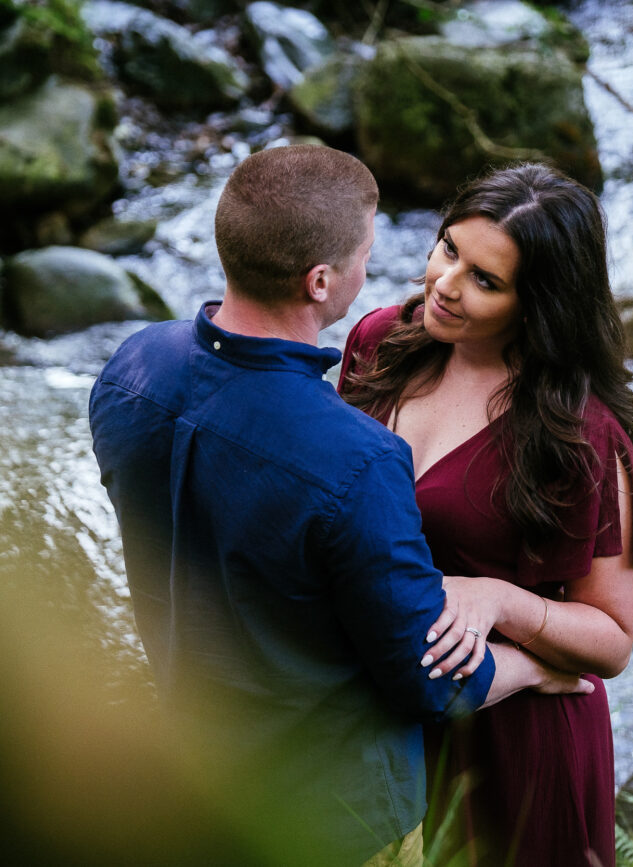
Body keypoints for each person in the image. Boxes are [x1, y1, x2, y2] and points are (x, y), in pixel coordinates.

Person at [88, 145, 591, 867]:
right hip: (335, 817)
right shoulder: (355, 461)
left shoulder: (133, 368)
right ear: (321, 280)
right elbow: (429, 677)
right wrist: (540, 670)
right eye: (364, 253)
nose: (375, 272)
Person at [338, 162, 633, 866]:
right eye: (449, 249)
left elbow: (611, 640)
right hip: (378, 724)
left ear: (536, 303)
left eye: (486, 279)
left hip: (516, 747)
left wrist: (498, 599)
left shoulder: (580, 436)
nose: (445, 285)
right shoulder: (379, 342)